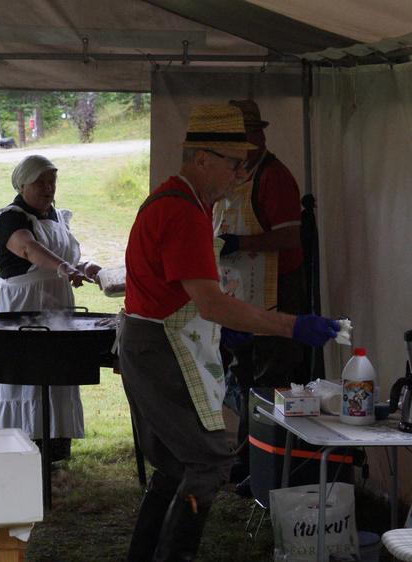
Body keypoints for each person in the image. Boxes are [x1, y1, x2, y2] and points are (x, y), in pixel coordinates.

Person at [119, 103, 339, 561]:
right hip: (159, 347)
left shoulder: (181, 201)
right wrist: (291, 325)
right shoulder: (182, 212)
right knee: (208, 460)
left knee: (176, 464)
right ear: (202, 158)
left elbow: (191, 297)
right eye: (235, 163)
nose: (240, 175)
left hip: (152, 340)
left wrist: (225, 328)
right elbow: (212, 303)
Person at [213, 99, 306, 493]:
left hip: (276, 290)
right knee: (244, 374)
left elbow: (290, 236)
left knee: (271, 379)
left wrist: (241, 241)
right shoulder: (236, 174)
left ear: (256, 136)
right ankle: (246, 456)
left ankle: (267, 466)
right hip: (241, 290)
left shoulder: (274, 176)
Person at [0, 155, 101, 462]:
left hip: (57, 305)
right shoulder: (11, 219)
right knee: (28, 374)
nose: (48, 188)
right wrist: (64, 267)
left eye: (52, 181)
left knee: (58, 371)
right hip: (23, 309)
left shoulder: (57, 217)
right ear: (22, 184)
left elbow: (64, 257)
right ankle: (24, 447)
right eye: (40, 182)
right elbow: (29, 249)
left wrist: (84, 267)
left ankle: (56, 447)